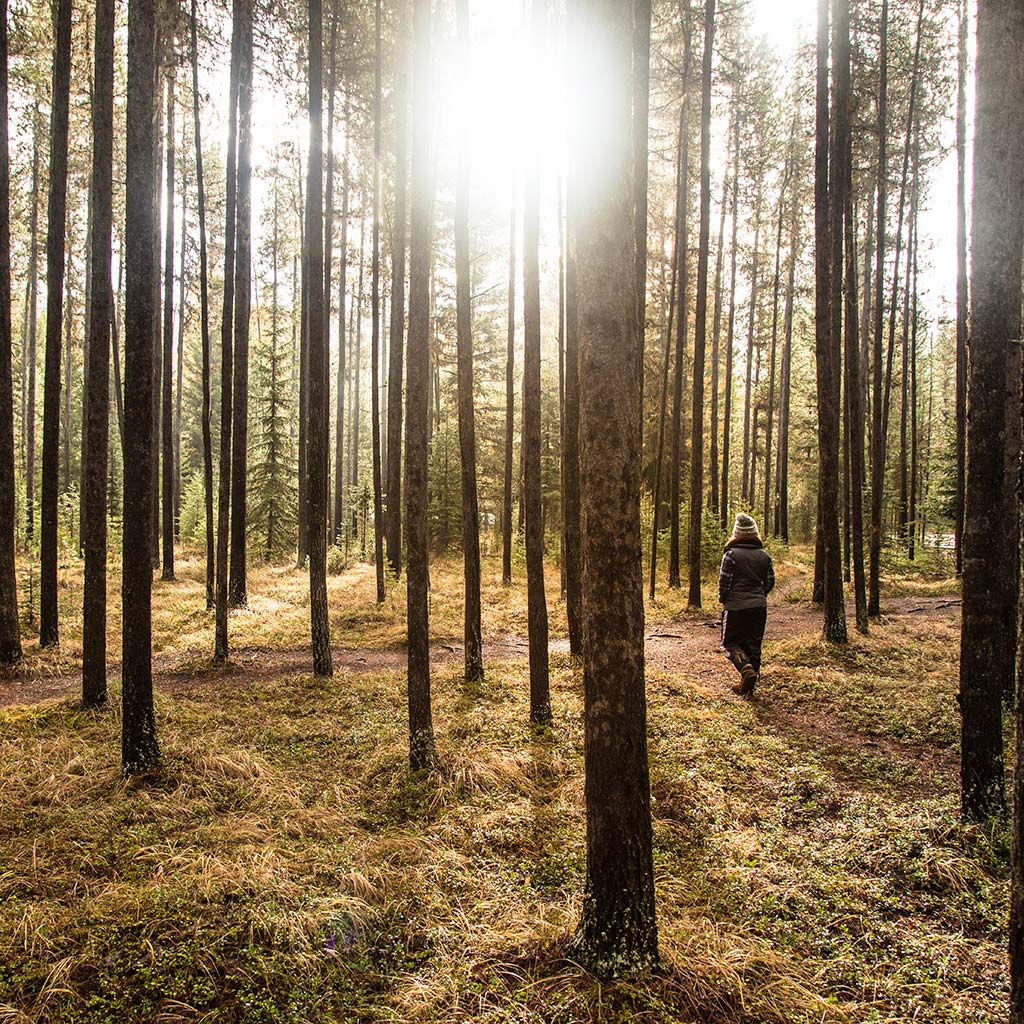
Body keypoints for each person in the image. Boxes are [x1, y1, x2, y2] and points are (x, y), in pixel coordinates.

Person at [718, 512, 775, 697]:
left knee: (729, 643)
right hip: (759, 607)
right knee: (754, 645)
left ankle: (745, 670)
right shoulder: (765, 556)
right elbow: (770, 581)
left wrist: (724, 599)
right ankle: (749, 689)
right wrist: (760, 594)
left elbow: (724, 583)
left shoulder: (731, 555)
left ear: (737, 534)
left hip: (735, 607)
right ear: (755, 533)